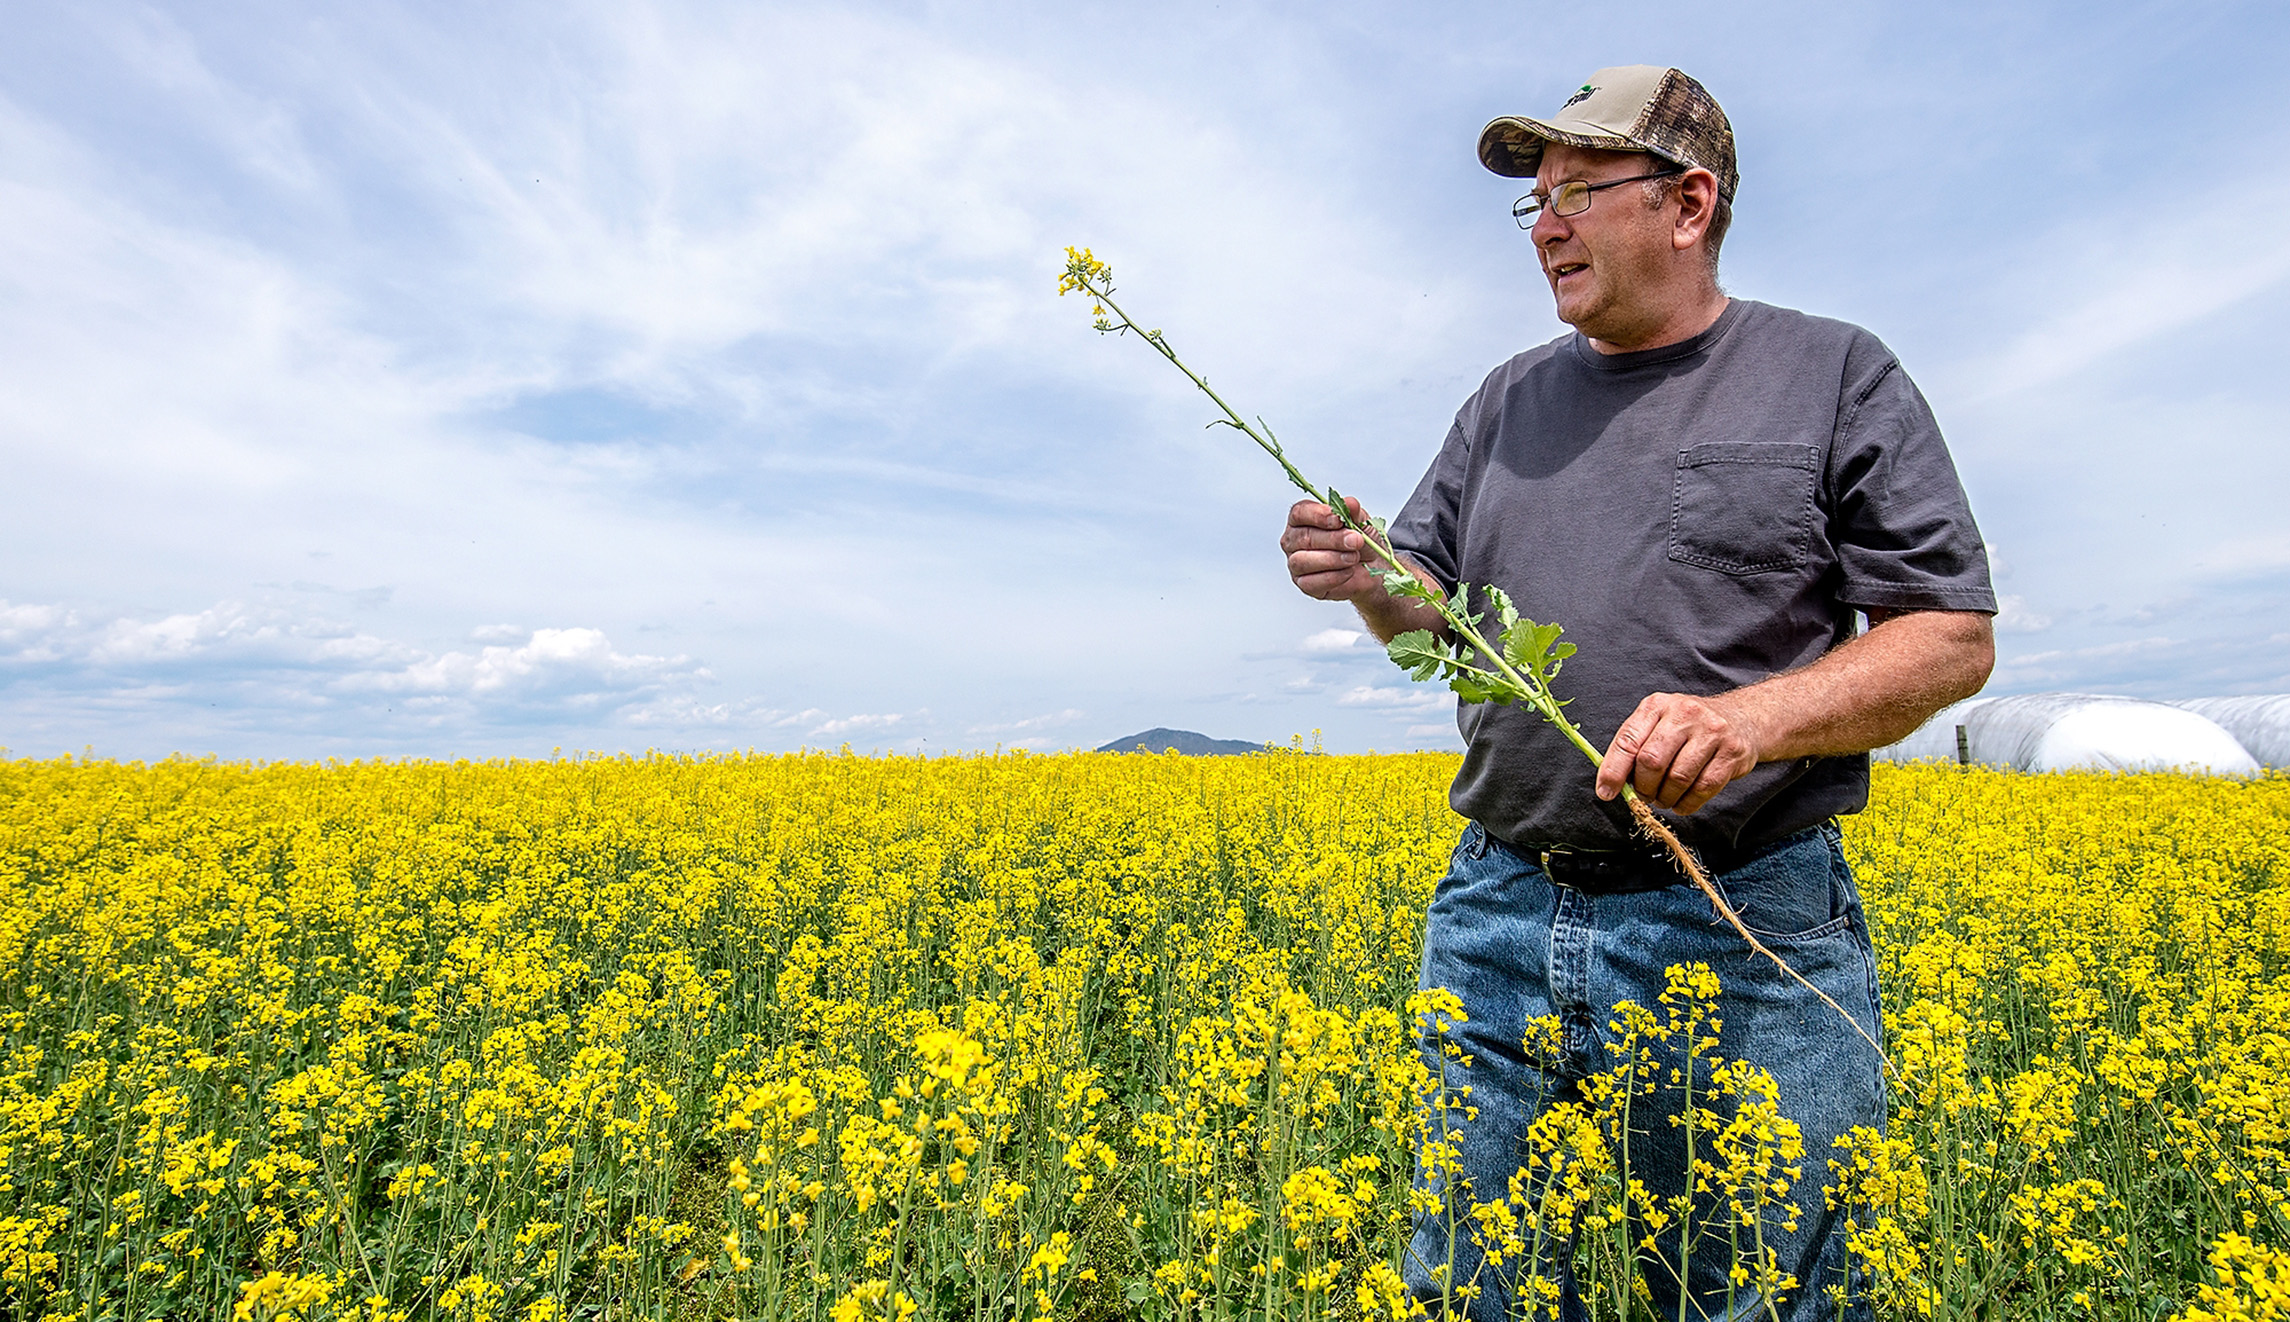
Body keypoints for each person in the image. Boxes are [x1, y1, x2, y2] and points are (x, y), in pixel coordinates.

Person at [1279, 66, 1995, 1320]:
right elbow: (1431, 615)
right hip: (1501, 908)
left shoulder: (1830, 372)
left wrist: (1751, 719)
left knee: (1771, 1299)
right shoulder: (1505, 398)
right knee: (1470, 1291)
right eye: (1534, 204)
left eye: (1575, 192)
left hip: (1742, 921)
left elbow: (1948, 635)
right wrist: (1359, 575)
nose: (1545, 225)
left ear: (1687, 203)